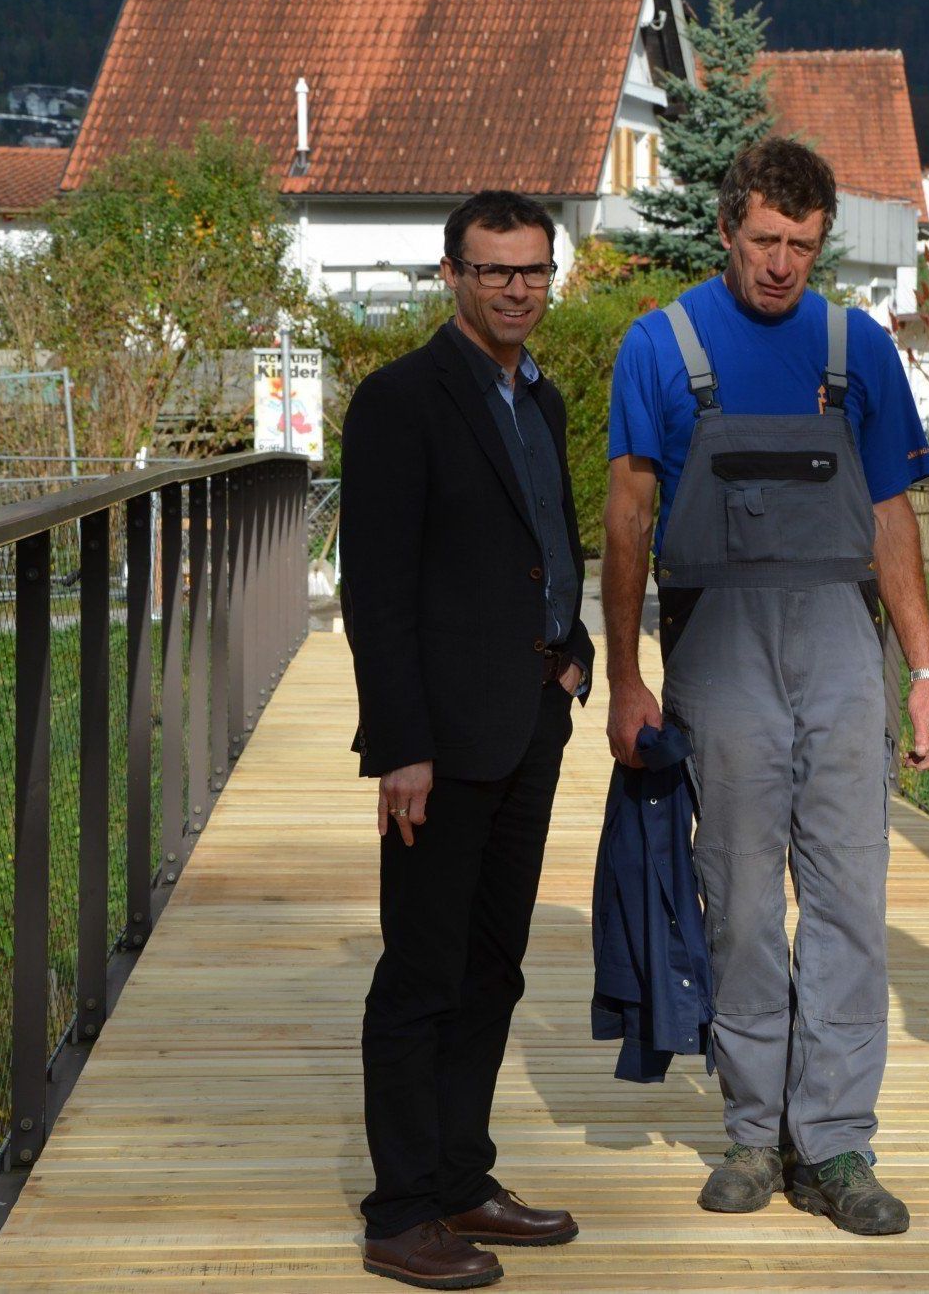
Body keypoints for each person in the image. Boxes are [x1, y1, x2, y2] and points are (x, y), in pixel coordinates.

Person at [601, 138, 929, 1237]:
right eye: (764, 240)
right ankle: (755, 1132)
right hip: (717, 645)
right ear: (726, 229)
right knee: (742, 900)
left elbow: (892, 512)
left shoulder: (859, 348)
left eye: (802, 245)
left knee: (849, 897)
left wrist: (926, 669)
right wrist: (624, 676)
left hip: (841, 644)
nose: (781, 265)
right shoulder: (659, 347)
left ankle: (838, 1142)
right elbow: (626, 516)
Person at [342, 190, 593, 1288]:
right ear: (450, 274)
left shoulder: (538, 400)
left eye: (532, 270)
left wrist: (571, 634)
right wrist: (400, 745)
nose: (514, 289)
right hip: (438, 739)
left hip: (528, 718)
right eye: (493, 270)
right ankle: (400, 1211)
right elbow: (376, 593)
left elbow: (545, 536)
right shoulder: (399, 401)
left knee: (493, 965)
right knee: (421, 973)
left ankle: (458, 1178)